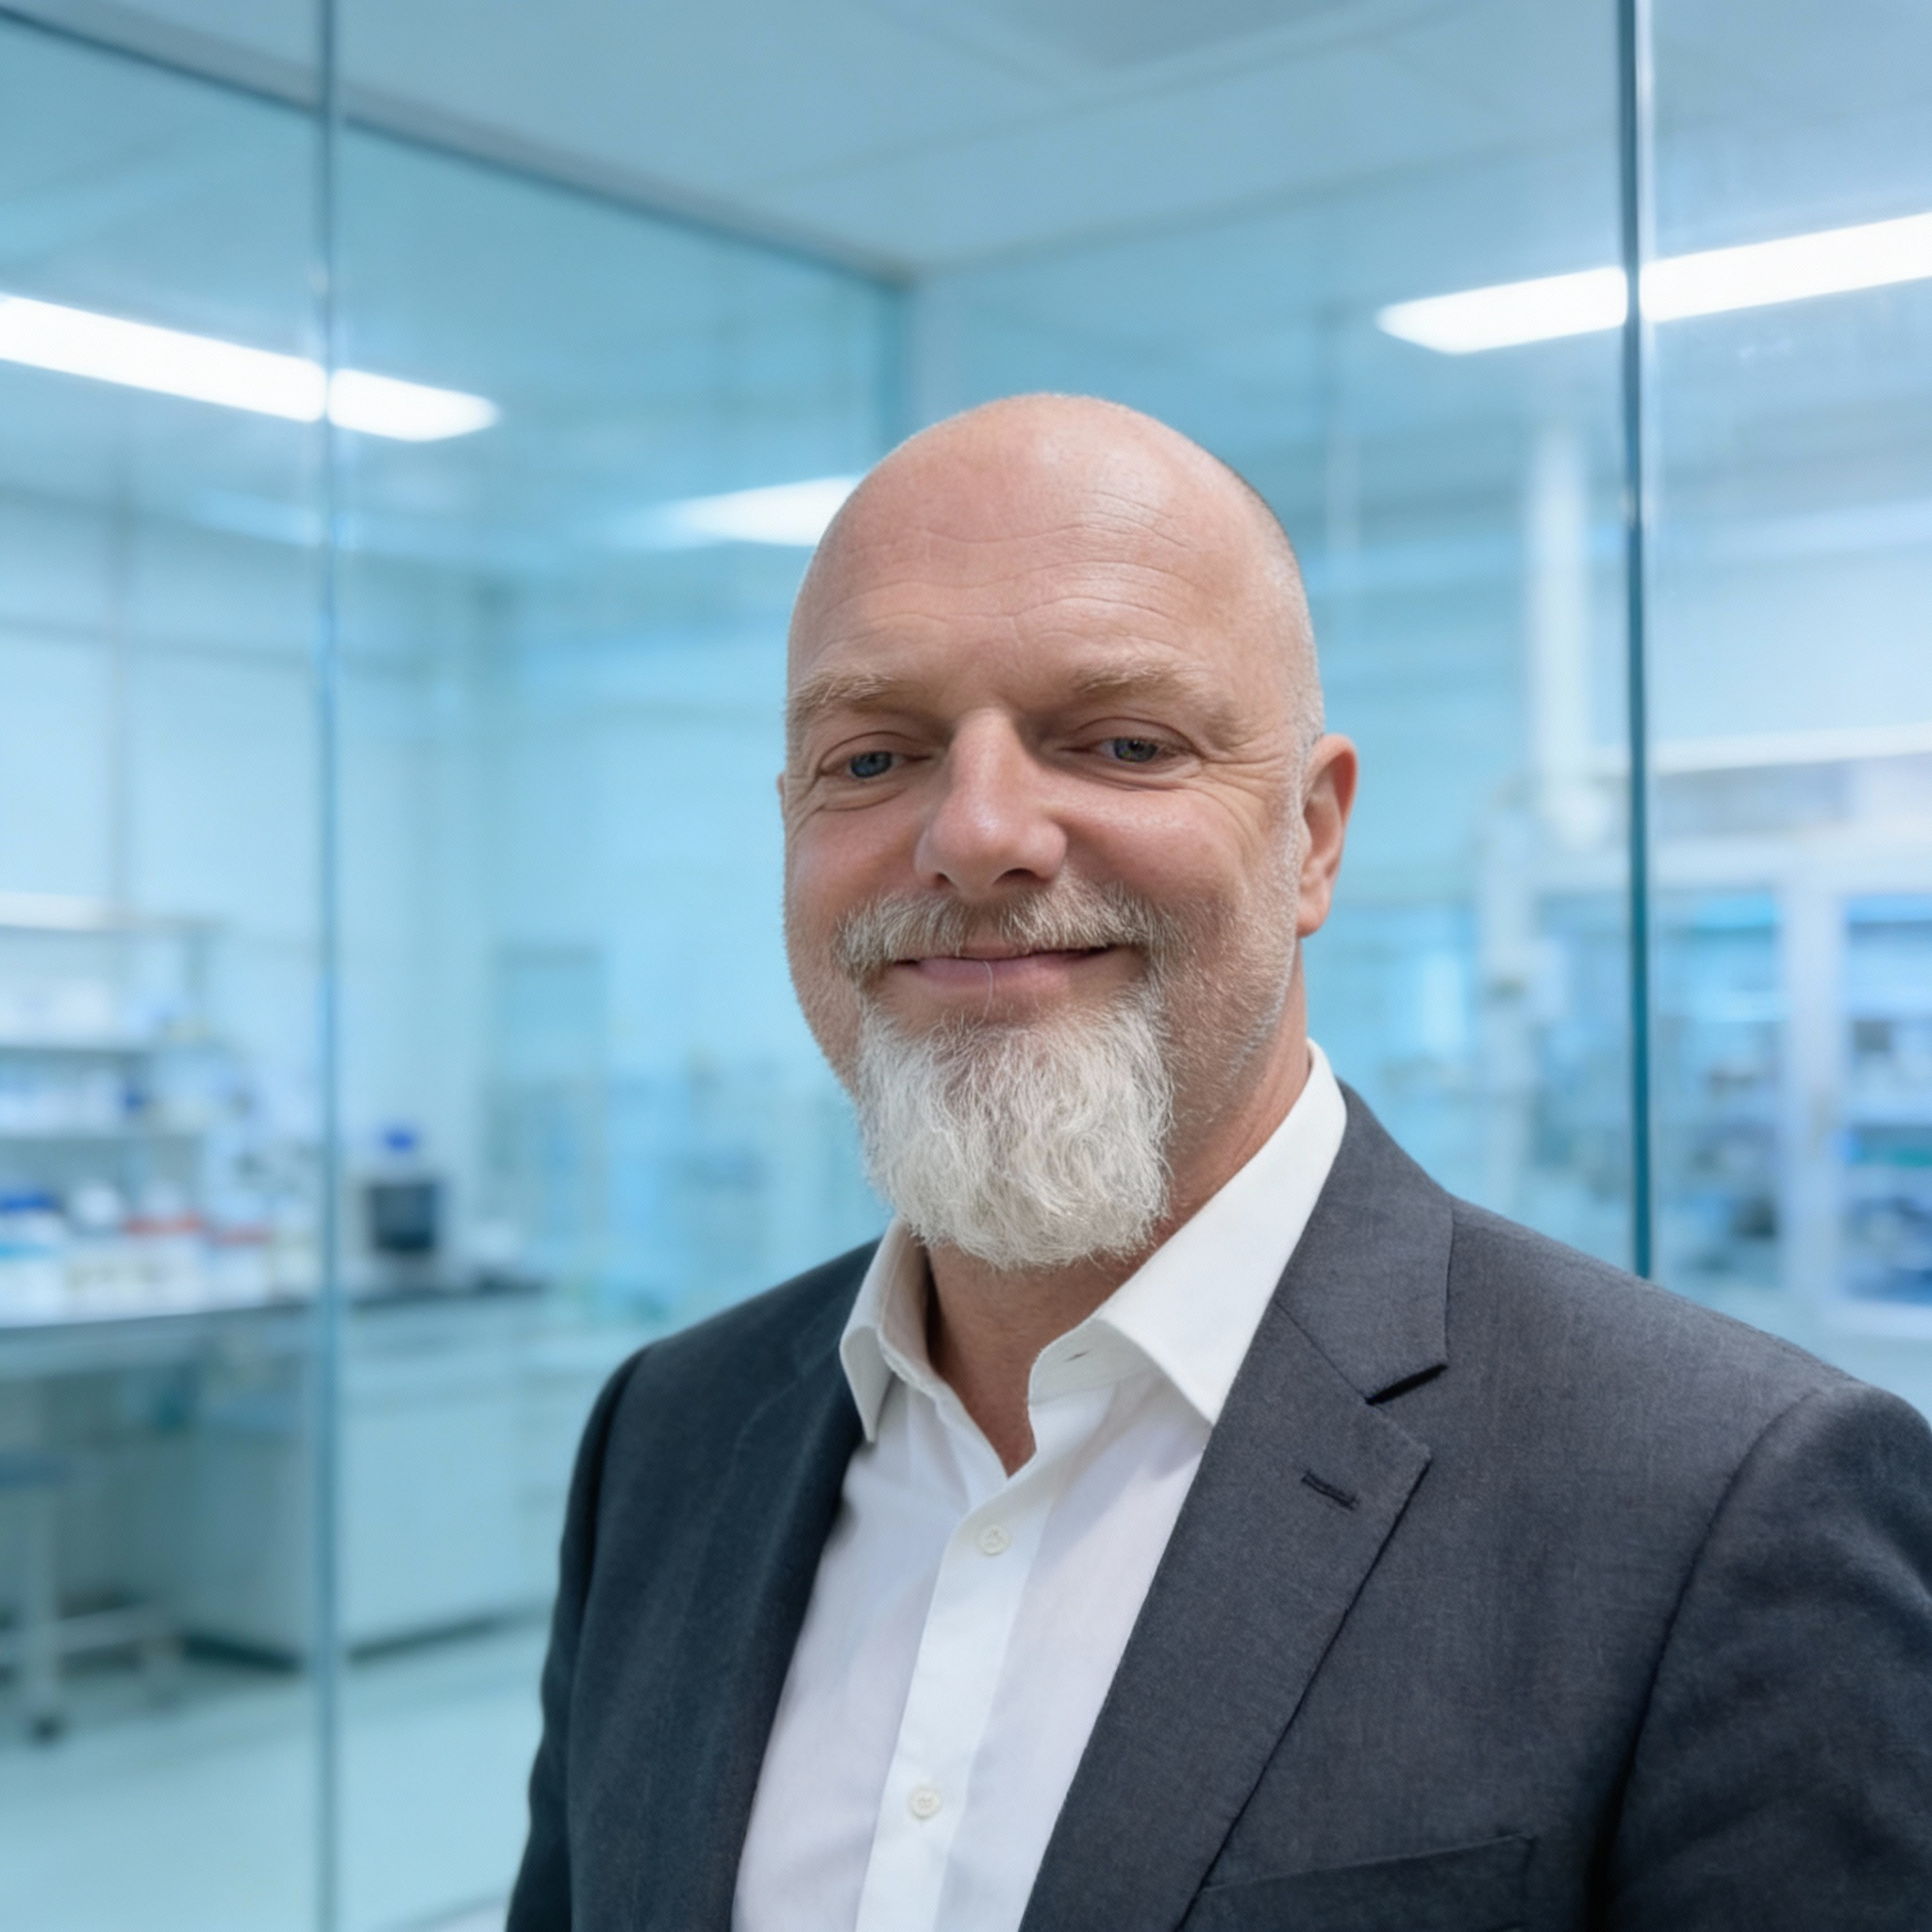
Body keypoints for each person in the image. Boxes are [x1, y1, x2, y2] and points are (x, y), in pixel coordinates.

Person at [507, 395, 1932, 1932]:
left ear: (1313, 838)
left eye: (1120, 741)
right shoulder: (666, 1437)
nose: (976, 835)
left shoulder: (1725, 1503)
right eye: (873, 757)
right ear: (790, 828)